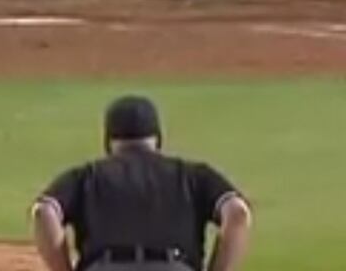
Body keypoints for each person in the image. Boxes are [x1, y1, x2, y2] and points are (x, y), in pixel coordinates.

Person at [32, 95, 252, 271]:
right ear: (158, 138)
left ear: (108, 140)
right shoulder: (193, 175)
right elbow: (238, 212)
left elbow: (44, 212)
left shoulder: (87, 175)